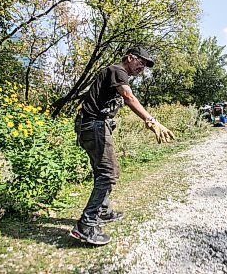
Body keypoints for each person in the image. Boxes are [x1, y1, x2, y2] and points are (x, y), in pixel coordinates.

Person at [70, 46, 175, 245]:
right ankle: (86, 225)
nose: (142, 68)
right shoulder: (117, 71)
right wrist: (152, 121)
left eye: (145, 65)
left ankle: (103, 211)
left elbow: (122, 100)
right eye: (141, 62)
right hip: (94, 126)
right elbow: (129, 98)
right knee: (109, 173)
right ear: (130, 58)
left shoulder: (115, 75)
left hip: (90, 126)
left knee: (103, 171)